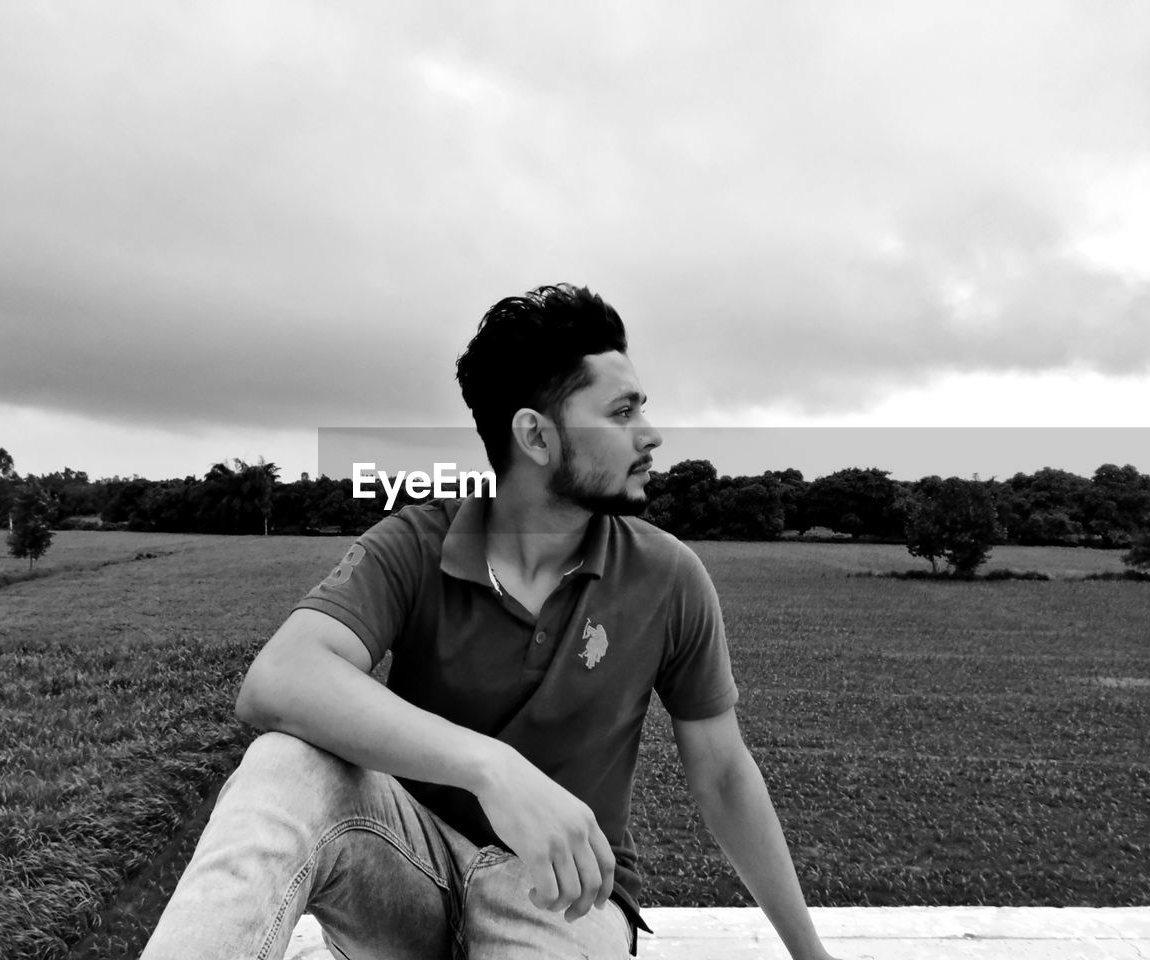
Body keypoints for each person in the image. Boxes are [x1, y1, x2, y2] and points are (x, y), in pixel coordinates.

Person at [141, 284, 842, 959]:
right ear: (536, 438)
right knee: (284, 764)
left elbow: (722, 775)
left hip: (565, 895)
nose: (650, 435)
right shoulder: (417, 542)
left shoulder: (669, 576)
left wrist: (812, 958)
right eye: (622, 412)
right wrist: (491, 768)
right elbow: (281, 679)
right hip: (410, 875)